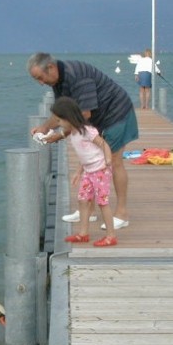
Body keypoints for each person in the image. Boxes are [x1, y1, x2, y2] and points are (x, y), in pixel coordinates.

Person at [27, 52, 137, 230]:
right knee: (90, 164)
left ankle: (122, 214)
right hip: (97, 121)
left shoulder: (77, 76)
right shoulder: (57, 81)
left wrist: (61, 134)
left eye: (41, 78)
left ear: (51, 67)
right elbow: (62, 110)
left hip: (117, 113)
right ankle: (89, 211)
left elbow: (84, 114)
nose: (41, 83)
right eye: (36, 80)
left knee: (115, 161)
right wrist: (45, 128)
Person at [49, 97, 117, 247]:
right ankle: (83, 233)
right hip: (88, 170)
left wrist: (108, 160)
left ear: (69, 118)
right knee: (82, 199)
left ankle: (111, 236)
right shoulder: (73, 134)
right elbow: (84, 155)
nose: (59, 124)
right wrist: (78, 172)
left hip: (100, 170)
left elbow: (103, 144)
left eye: (60, 120)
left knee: (102, 202)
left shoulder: (87, 131)